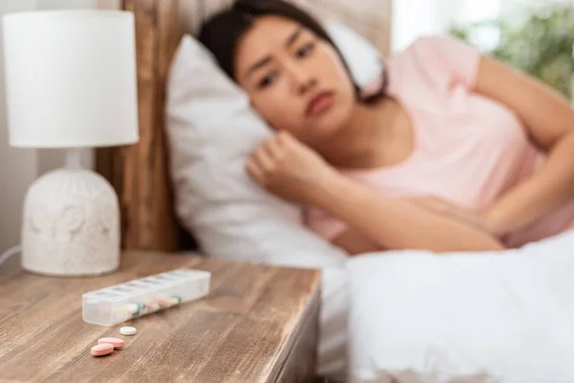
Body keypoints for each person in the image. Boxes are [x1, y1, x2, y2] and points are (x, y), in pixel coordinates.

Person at [198, 0, 574, 255]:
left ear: (333, 48)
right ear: (251, 114)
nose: (302, 79)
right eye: (267, 79)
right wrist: (325, 187)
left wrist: (495, 218)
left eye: (304, 50)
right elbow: (483, 254)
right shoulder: (331, 212)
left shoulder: (430, 59)